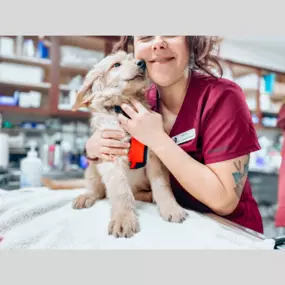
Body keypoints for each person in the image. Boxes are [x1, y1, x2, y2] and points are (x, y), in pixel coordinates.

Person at [84, 36, 264, 234]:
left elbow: (223, 201)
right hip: (172, 230)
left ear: (192, 41)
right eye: (145, 36)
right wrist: (92, 148)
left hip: (230, 234)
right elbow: (129, 168)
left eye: (171, 32)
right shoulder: (141, 99)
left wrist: (158, 139)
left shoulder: (223, 97)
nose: (158, 43)